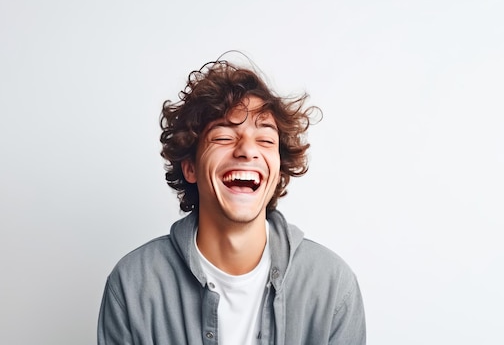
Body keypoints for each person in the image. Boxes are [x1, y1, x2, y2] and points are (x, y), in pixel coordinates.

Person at [97, 58, 366, 345]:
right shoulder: (131, 285)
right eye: (224, 136)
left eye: (265, 140)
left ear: (278, 171)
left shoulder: (333, 286)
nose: (247, 150)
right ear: (190, 167)